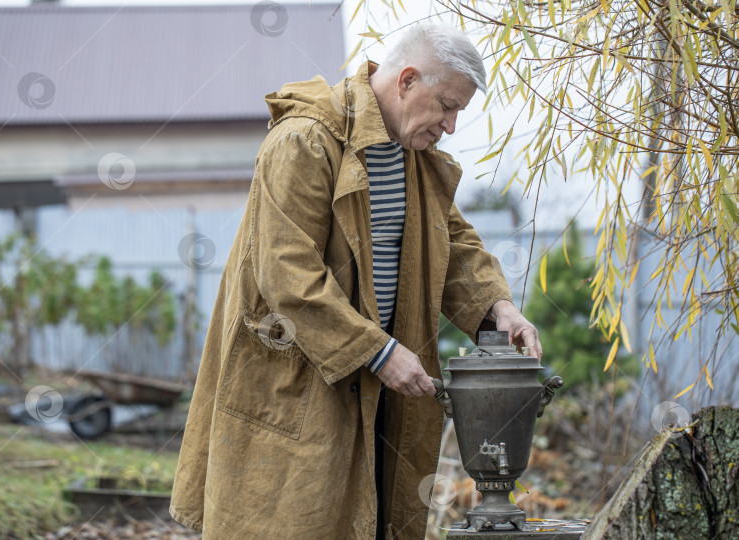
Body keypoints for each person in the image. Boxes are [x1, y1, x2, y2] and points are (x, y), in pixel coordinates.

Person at [169, 24, 542, 540]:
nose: (452, 126)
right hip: (297, 387)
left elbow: (452, 244)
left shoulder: (415, 158)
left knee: (369, 522)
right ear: (407, 80)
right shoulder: (305, 140)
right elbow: (288, 277)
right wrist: (381, 353)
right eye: (447, 106)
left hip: (378, 382)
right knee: (295, 522)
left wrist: (498, 307)